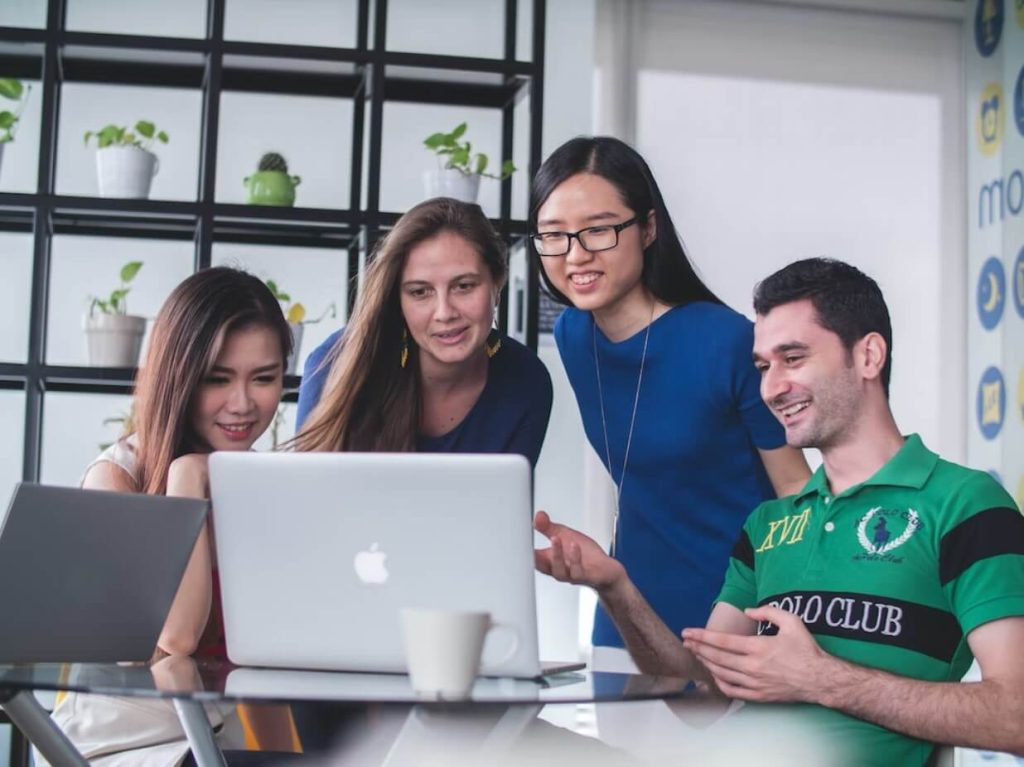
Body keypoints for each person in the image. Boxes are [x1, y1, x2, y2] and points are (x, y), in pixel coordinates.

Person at [535, 258, 1024, 766]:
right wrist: (614, 586)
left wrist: (822, 678)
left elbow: (1015, 715)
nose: (771, 388)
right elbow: (699, 698)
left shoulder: (964, 504)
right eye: (764, 367)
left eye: (793, 358)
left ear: (869, 356)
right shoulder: (768, 525)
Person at [529, 136, 810, 666]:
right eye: (554, 236)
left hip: (737, 620)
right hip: (626, 618)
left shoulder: (725, 341)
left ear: (649, 228)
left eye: (599, 230)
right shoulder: (573, 335)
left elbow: (795, 492)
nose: (576, 254)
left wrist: (789, 623)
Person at [61, 266, 299, 764]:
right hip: (121, 747)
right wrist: (188, 478)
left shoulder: (255, 486)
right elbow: (176, 638)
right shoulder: (116, 478)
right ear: (180, 377)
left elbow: (261, 667)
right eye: (218, 379)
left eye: (264, 378)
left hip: (212, 744)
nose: (242, 404)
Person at [293, 197, 552, 467]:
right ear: (398, 300)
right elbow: (308, 498)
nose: (444, 312)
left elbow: (504, 505)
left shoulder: (526, 381)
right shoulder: (336, 362)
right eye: (420, 292)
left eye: (463, 286)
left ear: (496, 283)